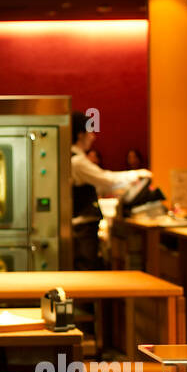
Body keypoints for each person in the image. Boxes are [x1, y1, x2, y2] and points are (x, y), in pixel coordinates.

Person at [69, 111, 151, 268]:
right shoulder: (77, 161)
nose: (93, 136)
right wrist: (136, 174)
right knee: (86, 269)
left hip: (82, 227)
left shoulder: (75, 158)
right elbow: (107, 181)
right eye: (90, 131)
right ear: (80, 135)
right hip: (82, 228)